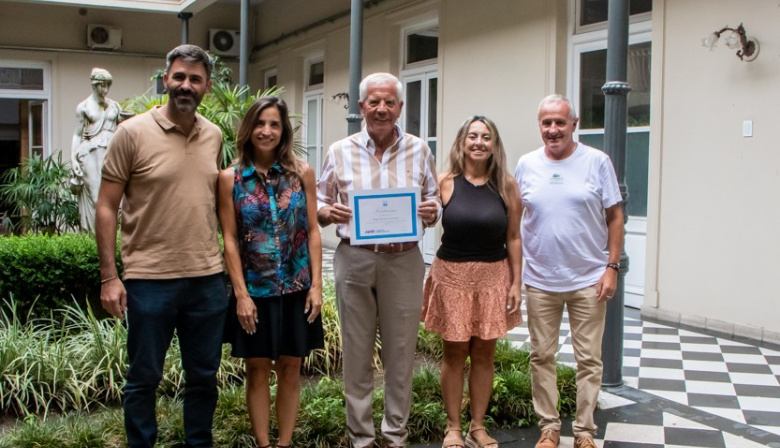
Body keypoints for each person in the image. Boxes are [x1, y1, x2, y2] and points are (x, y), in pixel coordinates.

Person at [95, 44, 227, 448]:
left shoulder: (214, 135)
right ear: (166, 79)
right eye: (179, 77)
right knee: (144, 377)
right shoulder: (131, 132)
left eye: (195, 79)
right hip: (149, 280)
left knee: (203, 377)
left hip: (207, 279)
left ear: (207, 86)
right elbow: (106, 207)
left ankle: (198, 443)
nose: (186, 85)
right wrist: (109, 277)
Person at [316, 72, 441, 448]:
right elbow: (319, 202)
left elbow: (433, 199)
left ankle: (395, 435)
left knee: (401, 353)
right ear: (361, 107)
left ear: (400, 107)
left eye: (389, 102)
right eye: (374, 101)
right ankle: (362, 438)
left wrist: (432, 210)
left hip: (403, 260)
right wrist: (327, 213)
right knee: (355, 352)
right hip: (354, 258)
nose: (382, 109)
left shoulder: (420, 150)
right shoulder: (339, 150)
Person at [514, 95, 624, 448]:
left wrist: (611, 266)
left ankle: (584, 431)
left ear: (574, 124)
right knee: (541, 356)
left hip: (588, 279)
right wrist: (514, 274)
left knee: (589, 359)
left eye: (560, 122)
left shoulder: (596, 162)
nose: (553, 129)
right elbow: (515, 222)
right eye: (546, 123)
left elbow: (615, 216)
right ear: (540, 126)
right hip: (541, 280)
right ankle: (549, 427)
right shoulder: (526, 164)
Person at [218, 96, 325, 448]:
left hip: (296, 289)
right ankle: (264, 444)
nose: (267, 131)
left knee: (292, 368)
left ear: (283, 131)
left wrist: (317, 287)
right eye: (260, 124)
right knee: (257, 369)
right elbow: (230, 240)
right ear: (249, 129)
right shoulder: (230, 178)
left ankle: (285, 443)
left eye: (274, 124)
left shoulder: (301, 174)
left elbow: (311, 230)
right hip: (255, 292)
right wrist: (241, 296)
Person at [422, 115, 523, 448]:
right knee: (453, 355)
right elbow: (423, 216)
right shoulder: (444, 182)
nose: (479, 142)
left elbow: (513, 237)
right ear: (462, 143)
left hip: (493, 277)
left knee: (484, 356)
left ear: (494, 145)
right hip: (451, 276)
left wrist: (515, 283)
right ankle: (453, 427)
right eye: (473, 136)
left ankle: (477, 427)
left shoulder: (506, 185)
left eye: (486, 137)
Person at [71, 67, 125, 232]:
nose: (106, 89)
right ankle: (96, 239)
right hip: (91, 153)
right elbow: (77, 134)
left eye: (108, 85)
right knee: (97, 198)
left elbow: (122, 127)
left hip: (112, 152)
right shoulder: (84, 107)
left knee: (118, 198)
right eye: (102, 85)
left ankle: (114, 238)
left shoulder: (114, 106)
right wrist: (73, 159)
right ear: (94, 85)